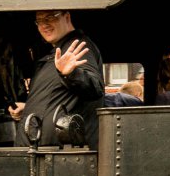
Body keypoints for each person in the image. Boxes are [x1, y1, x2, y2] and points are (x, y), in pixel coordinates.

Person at [9, 10, 104, 148]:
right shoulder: (57, 51)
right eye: (39, 21)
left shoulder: (77, 47)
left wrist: (71, 73)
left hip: (58, 154)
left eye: (49, 18)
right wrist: (28, 108)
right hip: (41, 152)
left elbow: (94, 88)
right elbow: (57, 96)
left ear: (67, 17)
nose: (44, 25)